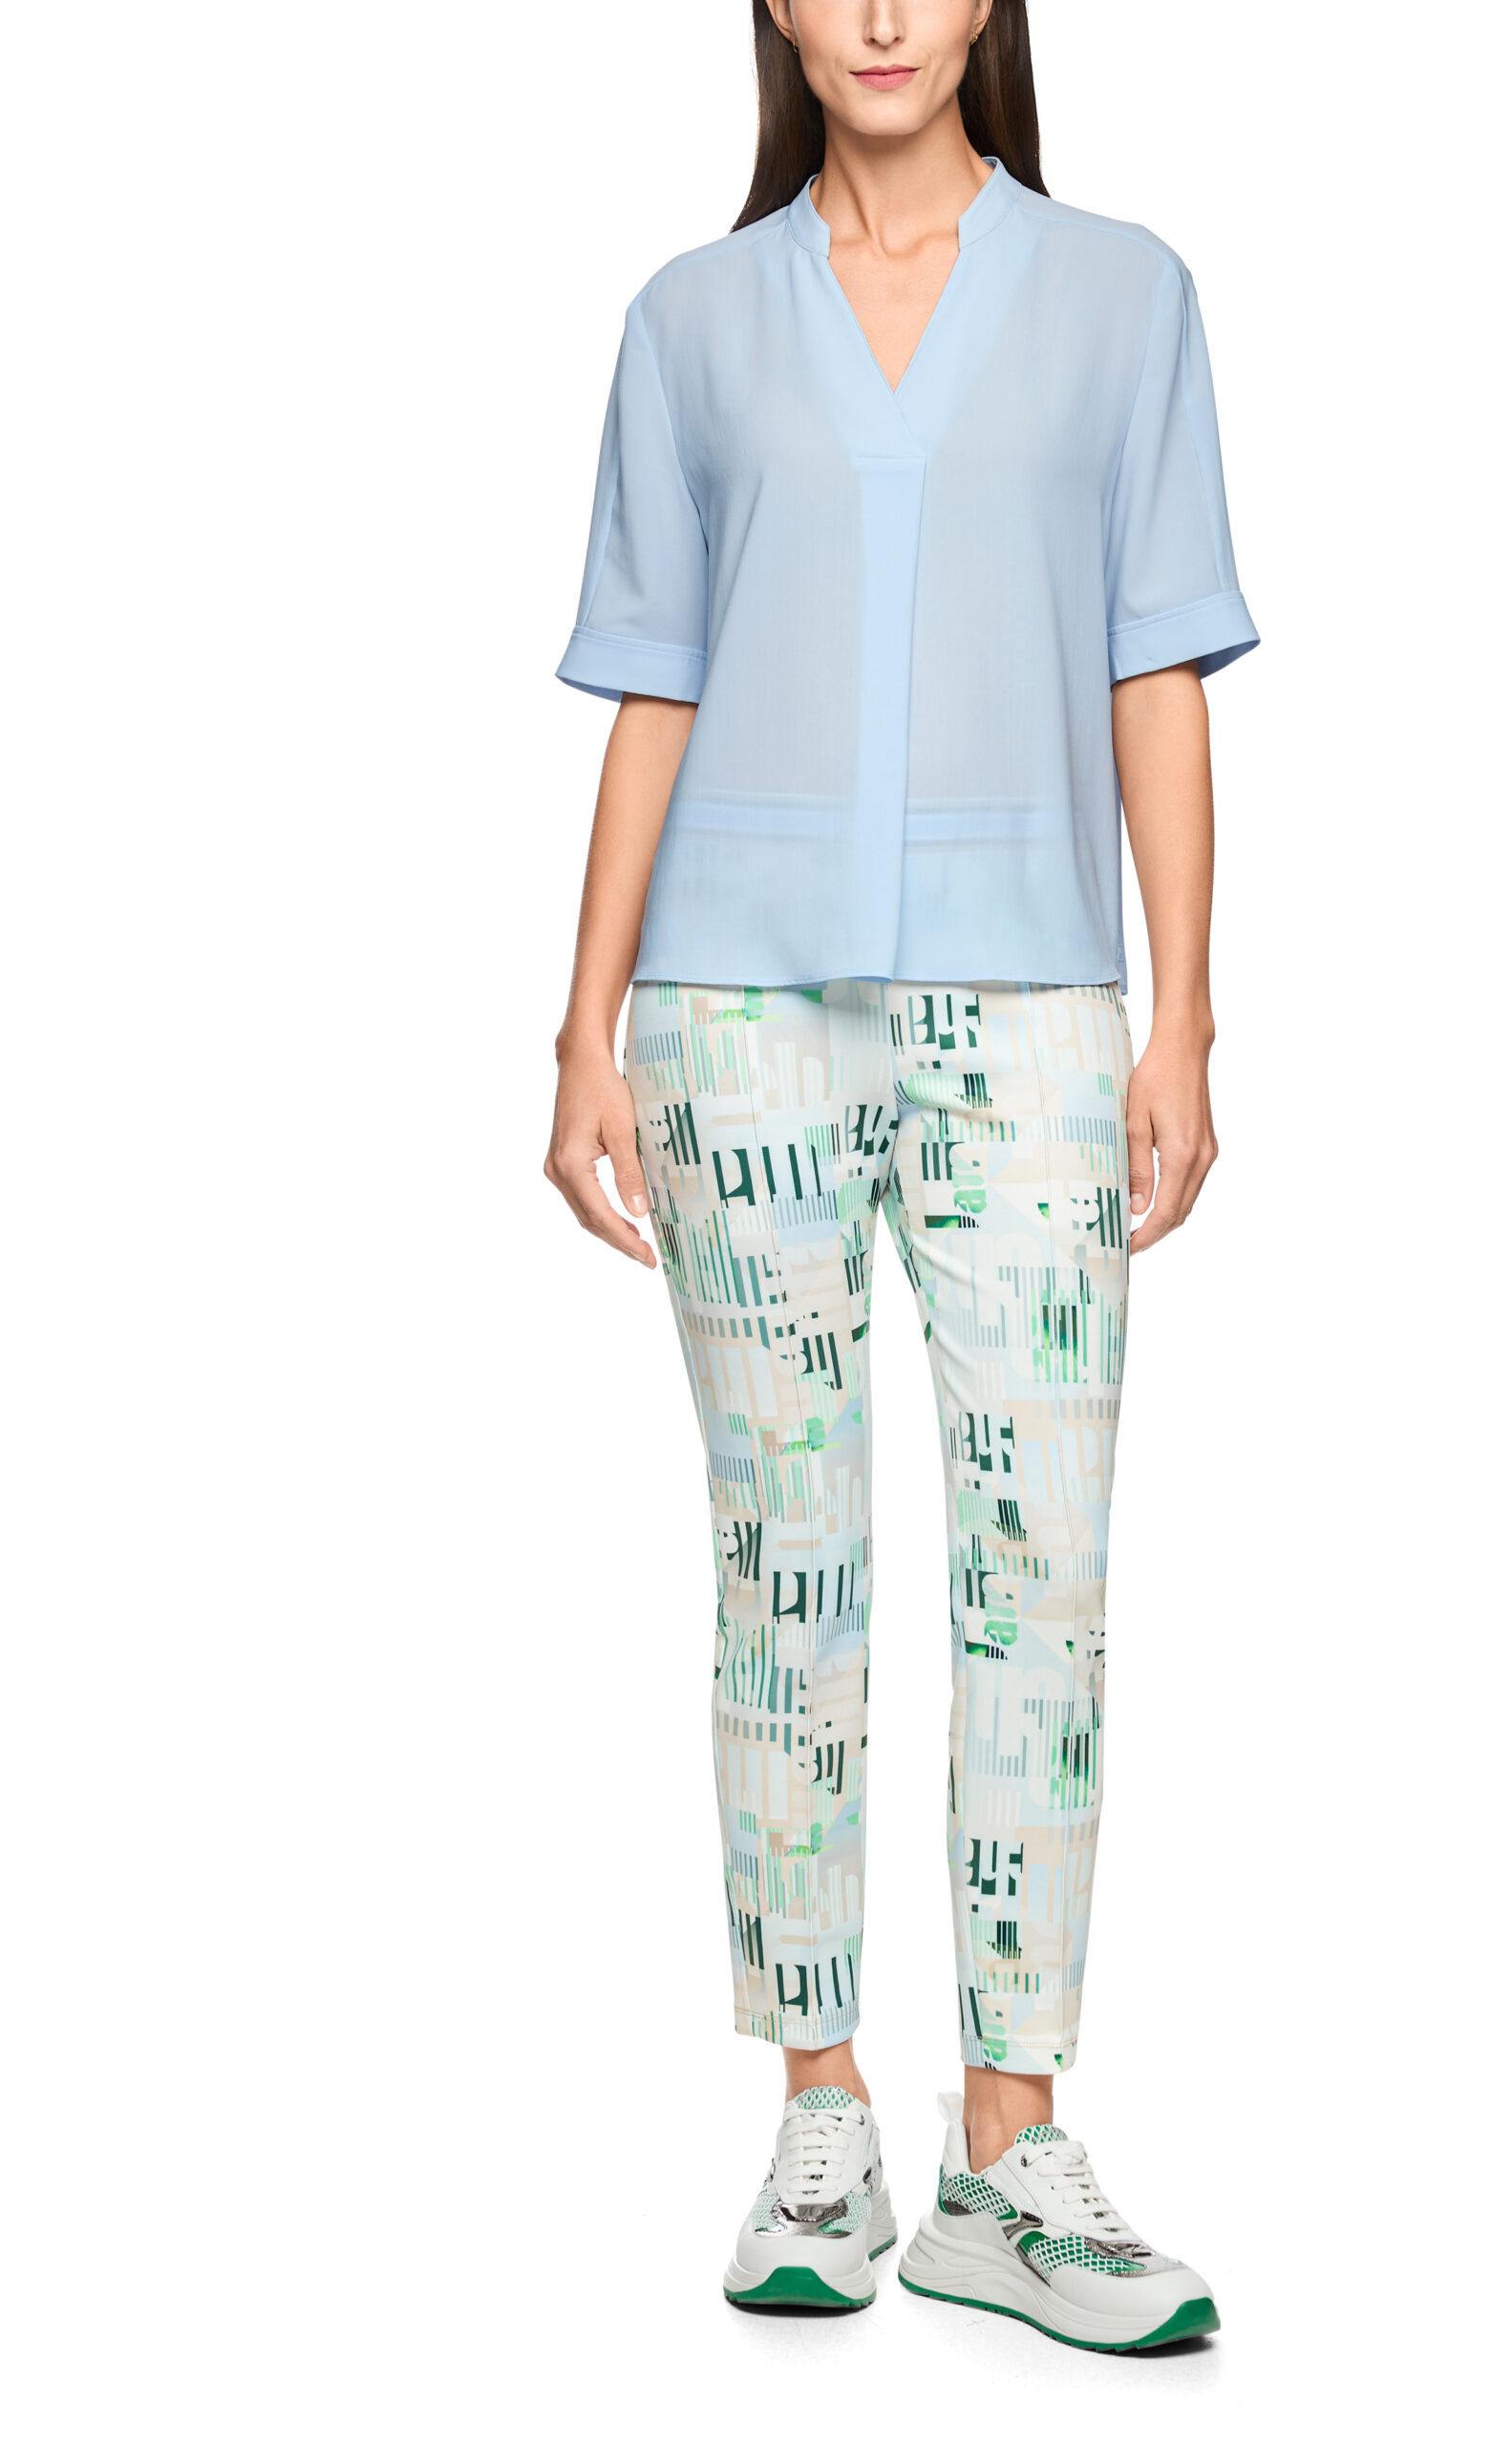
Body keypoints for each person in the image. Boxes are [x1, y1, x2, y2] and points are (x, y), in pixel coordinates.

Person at [544, 0, 1256, 2352]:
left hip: (1033, 1006)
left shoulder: (1127, 296)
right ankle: (821, 2113)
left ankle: (1011, 2149)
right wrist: (582, 1028)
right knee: (791, 1568)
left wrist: (1184, 1013)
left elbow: (1157, 668)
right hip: (729, 1017)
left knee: (1042, 1574)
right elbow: (657, 678)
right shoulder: (690, 320)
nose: (879, 12)